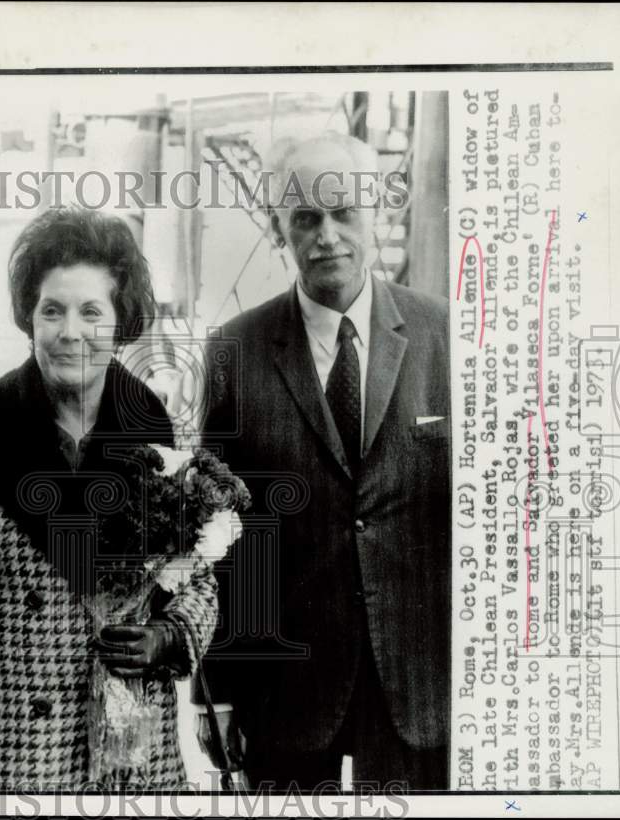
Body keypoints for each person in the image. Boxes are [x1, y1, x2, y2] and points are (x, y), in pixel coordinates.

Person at [193, 133, 451, 791]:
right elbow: (221, 542)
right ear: (280, 227)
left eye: (345, 213)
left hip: (419, 690)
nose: (327, 235)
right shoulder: (233, 351)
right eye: (305, 217)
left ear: (379, 213)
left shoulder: (446, 335)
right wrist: (216, 690)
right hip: (285, 686)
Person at [0, 207, 218, 789]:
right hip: (20, 743)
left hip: (132, 738)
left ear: (120, 321)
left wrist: (167, 636)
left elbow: (197, 579)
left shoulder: (157, 431)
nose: (69, 331)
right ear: (29, 318)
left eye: (91, 311)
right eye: (51, 310)